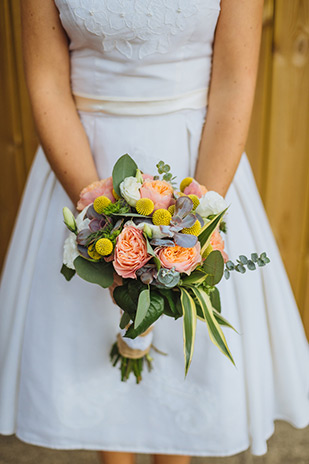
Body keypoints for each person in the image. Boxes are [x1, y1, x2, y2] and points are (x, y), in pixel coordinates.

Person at [0, 1, 308, 463]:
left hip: (196, 170)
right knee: (93, 347)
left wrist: (198, 223)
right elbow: (46, 83)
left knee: (185, 358)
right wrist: (96, 221)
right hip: (83, 164)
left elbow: (234, 81)